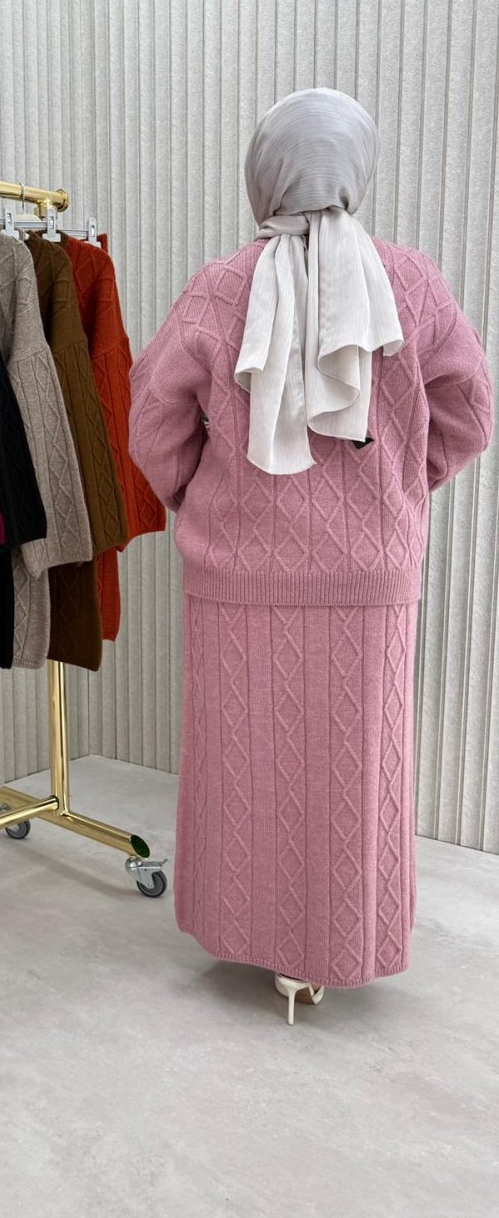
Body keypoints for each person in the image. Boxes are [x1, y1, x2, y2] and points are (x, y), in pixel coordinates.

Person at [129, 88, 493, 1023]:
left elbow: (152, 424)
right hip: (372, 580)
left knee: (244, 767)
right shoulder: (410, 282)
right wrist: (400, 491)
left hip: (237, 577)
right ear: (355, 168)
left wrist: (202, 499)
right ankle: (335, 942)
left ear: (264, 175)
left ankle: (250, 934)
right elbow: (472, 410)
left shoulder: (220, 286)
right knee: (355, 771)